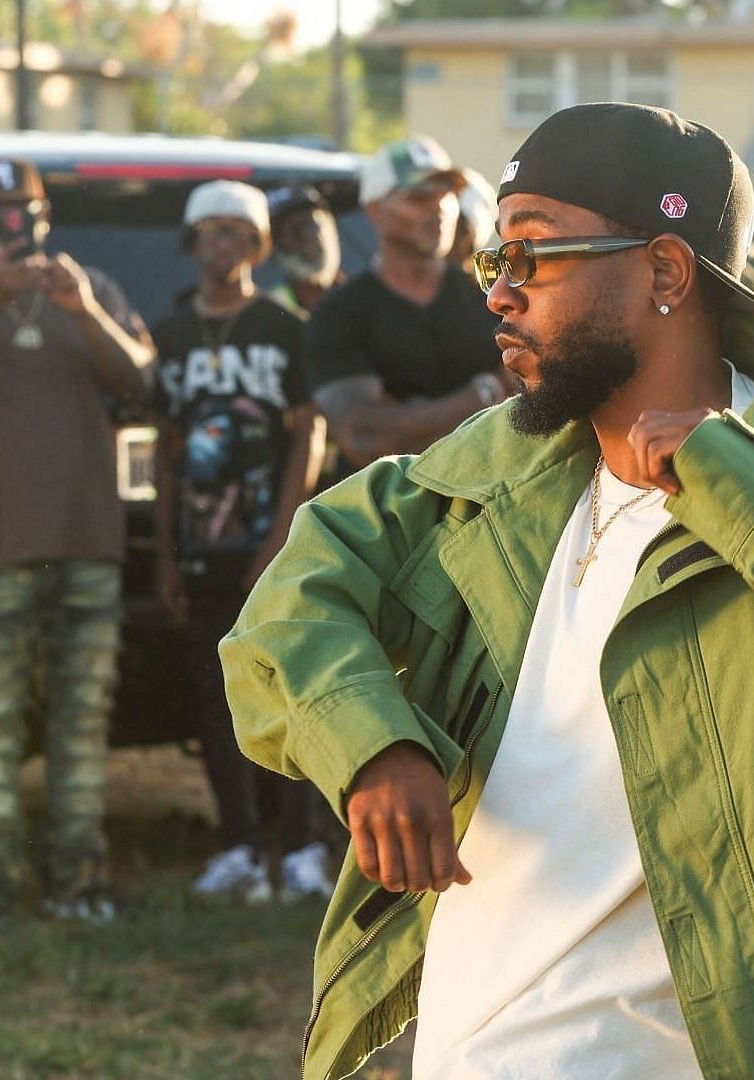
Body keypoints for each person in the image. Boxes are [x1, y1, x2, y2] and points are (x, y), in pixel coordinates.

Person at [222, 103, 754, 1079]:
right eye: (497, 259)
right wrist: (372, 744)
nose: (500, 292)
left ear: (664, 271)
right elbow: (292, 600)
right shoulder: (505, 468)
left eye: (533, 253)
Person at [0, 158, 155, 935]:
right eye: (0, 214)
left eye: (28, 212)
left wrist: (79, 309)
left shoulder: (93, 288)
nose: (17, 227)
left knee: (82, 724)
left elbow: (140, 379)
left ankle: (79, 880)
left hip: (84, 542)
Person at [149, 180, 335, 906]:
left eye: (238, 232)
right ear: (192, 243)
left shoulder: (284, 327)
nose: (222, 245)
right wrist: (164, 551)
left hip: (275, 546)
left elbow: (308, 432)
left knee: (287, 688)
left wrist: (286, 532)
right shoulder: (168, 335)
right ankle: (237, 846)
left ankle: (299, 847)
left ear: (258, 246)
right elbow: (164, 450)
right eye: (210, 232)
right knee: (216, 697)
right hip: (201, 548)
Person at [304, 136, 508, 471]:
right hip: (386, 514)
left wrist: (404, 418)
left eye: (446, 194)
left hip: (483, 506)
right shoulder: (339, 314)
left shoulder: (490, 296)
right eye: (418, 196)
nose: (438, 208)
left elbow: (528, 411)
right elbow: (364, 439)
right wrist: (484, 393)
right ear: (373, 209)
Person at [269, 184, 343, 320]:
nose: (307, 236)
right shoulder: (270, 312)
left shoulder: (366, 298)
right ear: (273, 248)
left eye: (313, 224)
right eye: (294, 230)